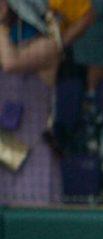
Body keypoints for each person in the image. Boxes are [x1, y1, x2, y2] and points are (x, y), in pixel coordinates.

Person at [0, 0, 62, 206]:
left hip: (33, 157)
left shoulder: (48, 46)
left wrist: (0, 26)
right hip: (3, 150)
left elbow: (11, 63)